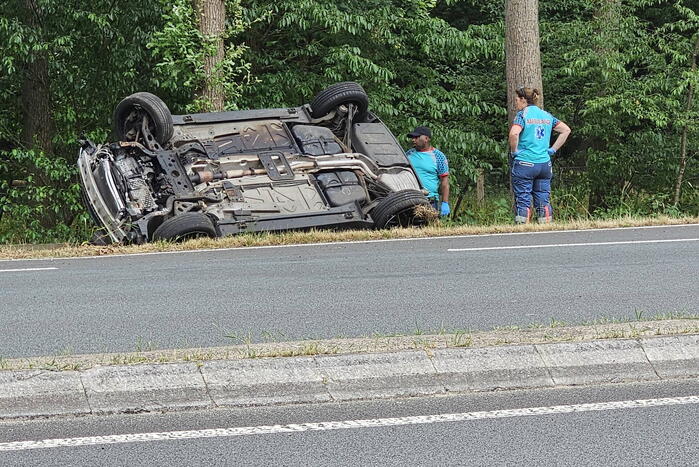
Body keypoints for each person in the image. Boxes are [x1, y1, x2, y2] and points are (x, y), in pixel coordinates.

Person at [509, 87, 571, 223]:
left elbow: (514, 133)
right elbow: (566, 130)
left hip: (525, 163)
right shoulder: (547, 116)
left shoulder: (522, 115)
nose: (516, 104)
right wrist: (553, 149)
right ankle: (546, 227)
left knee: (523, 197)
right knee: (543, 198)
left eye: (517, 100)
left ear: (523, 100)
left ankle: (522, 227)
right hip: (544, 164)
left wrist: (514, 151)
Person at [406, 126, 450, 217]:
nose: (413, 140)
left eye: (417, 137)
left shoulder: (438, 156)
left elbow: (444, 182)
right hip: (410, 200)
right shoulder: (408, 154)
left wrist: (445, 203)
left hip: (430, 201)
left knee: (429, 228)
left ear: (426, 138)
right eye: (413, 138)